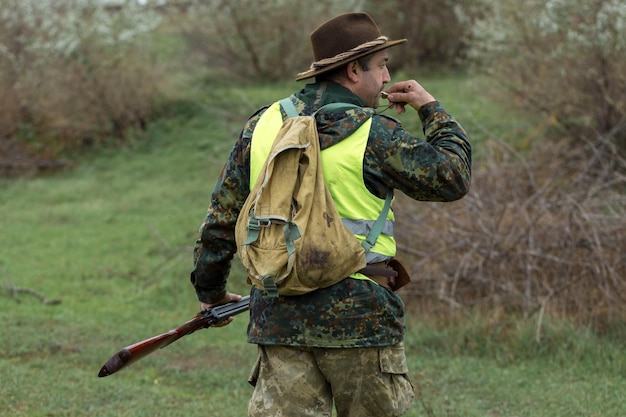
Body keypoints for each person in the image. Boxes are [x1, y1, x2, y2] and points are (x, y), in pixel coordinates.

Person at [190, 12, 471, 417]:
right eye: (381, 66)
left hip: (279, 319)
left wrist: (211, 294)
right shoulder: (374, 132)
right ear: (354, 71)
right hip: (361, 321)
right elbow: (454, 177)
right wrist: (430, 109)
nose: (388, 77)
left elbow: (220, 220)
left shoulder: (263, 124)